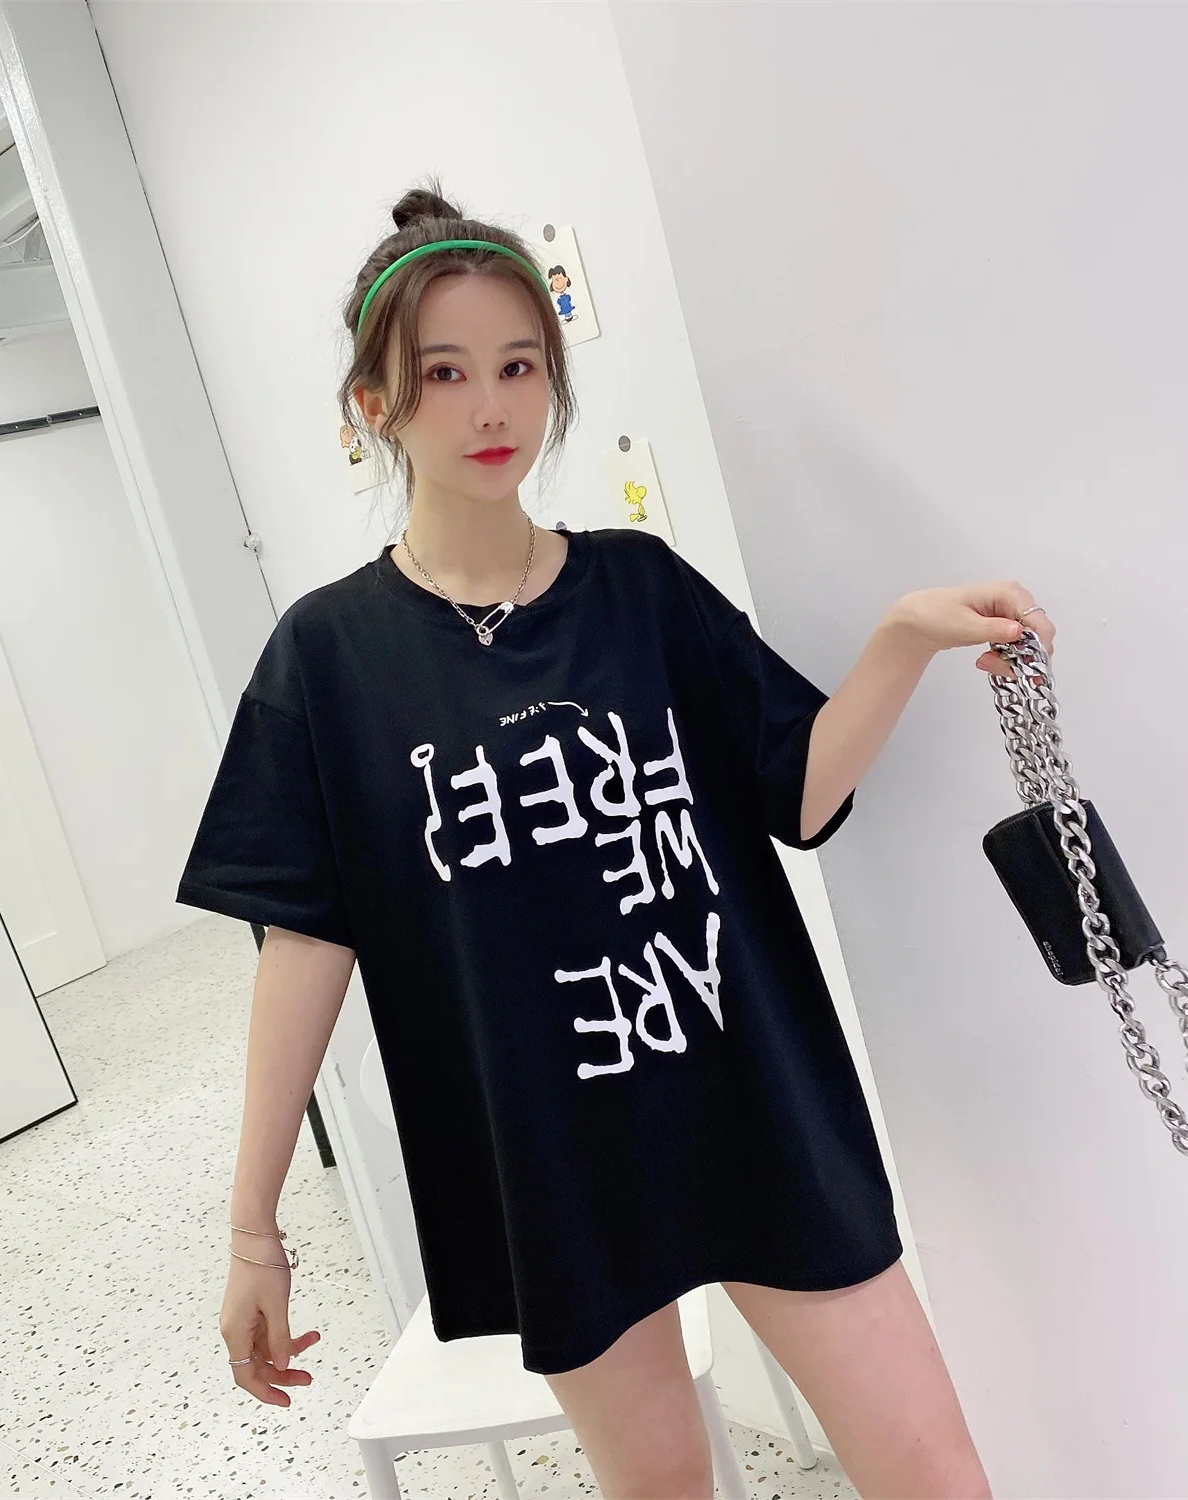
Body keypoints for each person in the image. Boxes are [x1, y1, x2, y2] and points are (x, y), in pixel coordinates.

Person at [175, 176, 1056, 1500]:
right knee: (659, 1488)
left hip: (752, 1101)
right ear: (374, 404)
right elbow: (303, 943)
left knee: (936, 1471)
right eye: (445, 373)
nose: (491, 408)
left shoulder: (640, 589)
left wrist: (899, 642)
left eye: (519, 366)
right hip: (554, 1154)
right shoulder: (328, 660)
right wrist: (255, 1228)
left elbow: (798, 794)